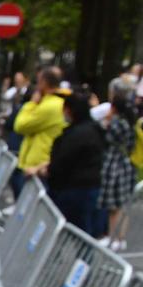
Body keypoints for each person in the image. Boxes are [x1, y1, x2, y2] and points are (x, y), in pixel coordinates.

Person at [44, 87, 105, 238]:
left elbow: (63, 161)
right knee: (81, 232)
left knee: (79, 233)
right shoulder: (92, 130)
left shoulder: (77, 135)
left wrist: (49, 170)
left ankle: (83, 261)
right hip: (85, 187)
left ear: (70, 110)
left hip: (74, 189)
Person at [98, 77, 139, 249]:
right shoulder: (130, 123)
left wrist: (106, 121)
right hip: (125, 164)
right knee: (120, 204)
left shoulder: (116, 124)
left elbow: (105, 137)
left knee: (114, 204)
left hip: (114, 165)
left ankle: (114, 236)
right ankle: (119, 237)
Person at [14, 65, 67, 192]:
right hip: (36, 163)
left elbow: (20, 125)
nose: (36, 87)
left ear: (44, 82)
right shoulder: (54, 102)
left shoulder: (49, 106)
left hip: (37, 166)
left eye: (38, 82)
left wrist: (31, 104)